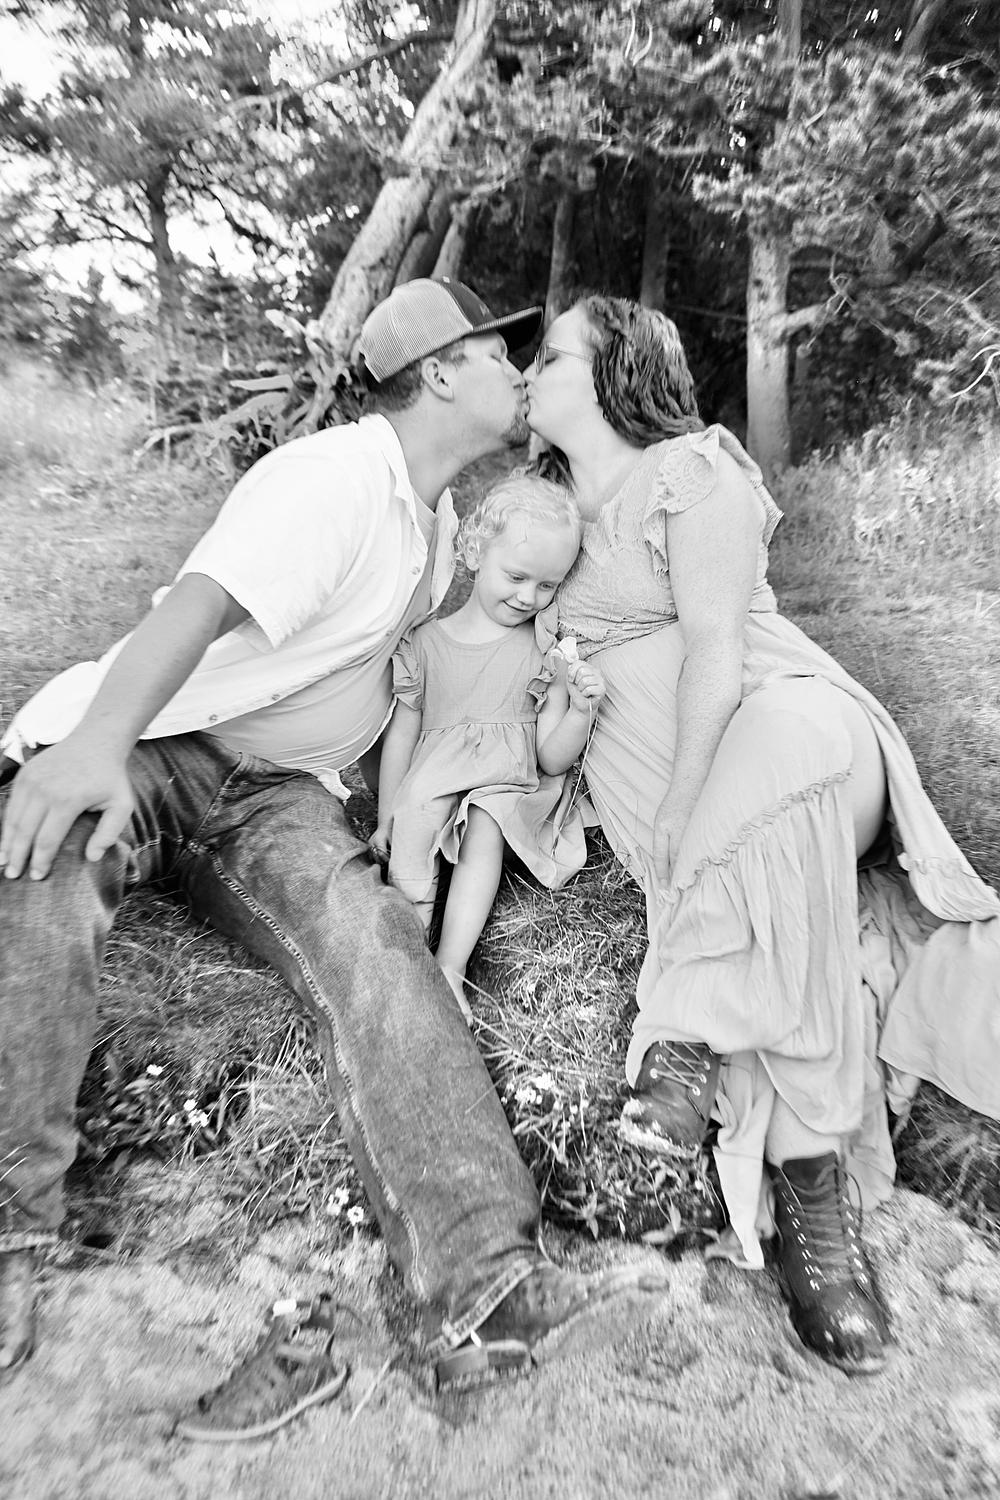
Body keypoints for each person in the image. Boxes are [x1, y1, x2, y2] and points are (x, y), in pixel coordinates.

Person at [0, 277, 670, 1425]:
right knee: (41, 864)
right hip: (163, 747)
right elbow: (199, 603)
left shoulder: (437, 520)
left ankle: (480, 1280)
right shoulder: (333, 479)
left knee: (374, 942)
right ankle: (16, 1226)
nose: (518, 372)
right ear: (441, 371)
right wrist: (95, 745)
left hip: (278, 795)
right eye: (499, 354)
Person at [523, 292, 1000, 1377]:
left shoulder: (693, 473)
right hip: (679, 806)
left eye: (549, 356)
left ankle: (697, 1050)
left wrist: (687, 805)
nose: (530, 374)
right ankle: (810, 1193)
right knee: (777, 892)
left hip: (798, 735)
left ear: (615, 373)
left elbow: (717, 653)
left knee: (778, 770)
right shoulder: (540, 514)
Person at [371, 475, 605, 1011]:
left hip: (509, 785)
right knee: (415, 819)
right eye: (517, 576)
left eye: (546, 586)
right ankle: (405, 957)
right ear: (476, 552)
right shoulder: (424, 644)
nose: (528, 597)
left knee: (486, 818)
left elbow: (550, 758)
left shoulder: (544, 651)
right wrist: (387, 816)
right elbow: (402, 737)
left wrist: (580, 711)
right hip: (436, 778)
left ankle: (451, 966)